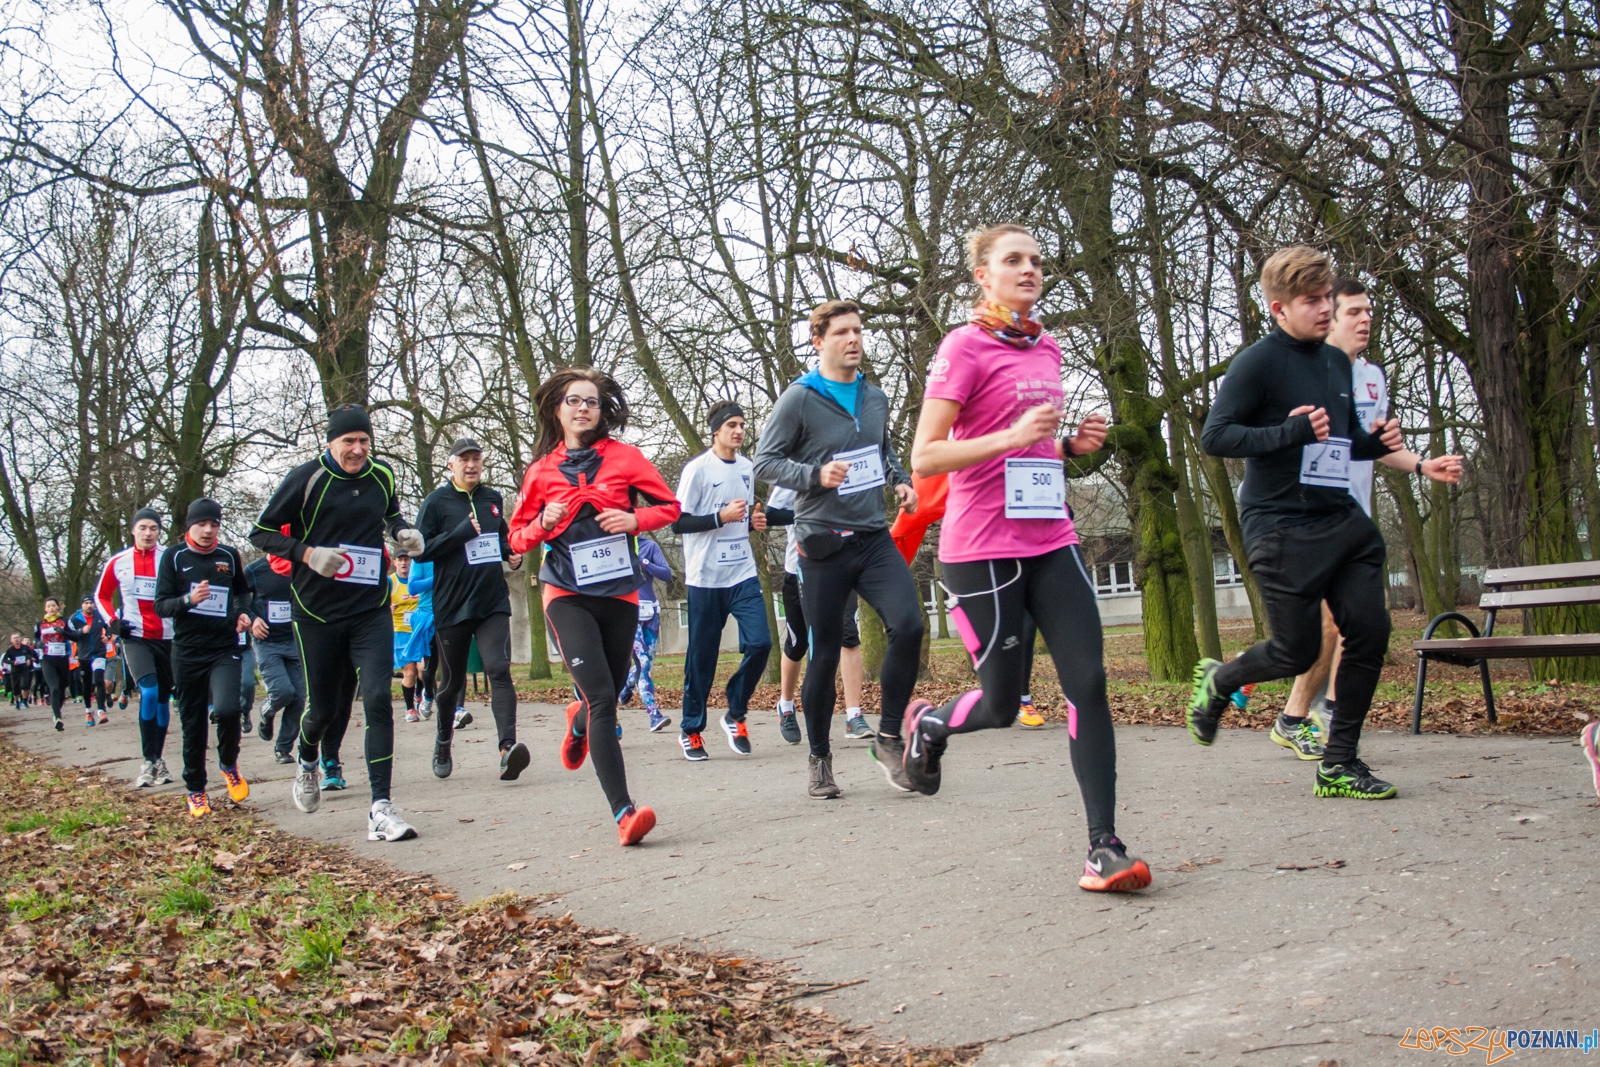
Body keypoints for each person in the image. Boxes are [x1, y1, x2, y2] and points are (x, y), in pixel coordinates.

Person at [904, 224, 1149, 891]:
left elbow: (1031, 450)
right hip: (981, 549)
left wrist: (1068, 447)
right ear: (982, 274)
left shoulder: (1048, 347)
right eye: (1013, 260)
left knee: (1089, 684)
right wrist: (1009, 435)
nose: (1029, 269)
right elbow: (924, 455)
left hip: (1051, 538)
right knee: (1004, 703)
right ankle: (928, 724)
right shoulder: (963, 346)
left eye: (1037, 260)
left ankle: (1104, 846)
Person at [1194, 245, 1404, 800]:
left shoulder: (1337, 362)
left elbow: (1341, 441)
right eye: (1312, 301)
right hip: (1279, 523)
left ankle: (1339, 763)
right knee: (1296, 650)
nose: (1325, 310)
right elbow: (1214, 437)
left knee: (1370, 629)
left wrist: (1373, 442)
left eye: (1328, 299)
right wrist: (1285, 433)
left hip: (1339, 518)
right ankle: (1221, 678)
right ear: (1278, 307)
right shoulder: (1259, 362)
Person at [1272, 278, 1464, 759]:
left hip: (1352, 517)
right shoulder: (1302, 370)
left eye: (1369, 312)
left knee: (1355, 622)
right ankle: (1290, 712)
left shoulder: (1372, 377)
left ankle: (1320, 714)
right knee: (1330, 626)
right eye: (1353, 311)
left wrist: (1423, 465)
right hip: (1302, 517)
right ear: (1327, 318)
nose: (1365, 320)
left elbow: (1376, 448)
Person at [752, 299, 923, 800]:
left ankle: (889, 737)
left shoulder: (875, 396)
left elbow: (882, 448)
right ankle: (820, 759)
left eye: (858, 331)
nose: (854, 339)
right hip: (822, 542)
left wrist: (900, 480)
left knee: (909, 625)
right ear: (818, 341)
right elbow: (764, 461)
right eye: (843, 332)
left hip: (872, 538)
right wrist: (813, 476)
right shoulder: (799, 398)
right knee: (824, 652)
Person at [507, 366, 680, 846]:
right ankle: (624, 812)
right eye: (574, 401)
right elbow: (516, 537)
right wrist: (543, 521)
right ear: (557, 410)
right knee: (606, 699)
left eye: (592, 402)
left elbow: (670, 507)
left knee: (606, 692)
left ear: (602, 411)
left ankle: (577, 718)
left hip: (620, 593)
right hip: (566, 593)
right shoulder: (540, 471)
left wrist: (633, 518)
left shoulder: (625, 458)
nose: (584, 408)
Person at [251, 404, 423, 842]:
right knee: (323, 710)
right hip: (316, 613)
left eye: (364, 441)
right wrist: (308, 554)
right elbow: (262, 531)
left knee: (377, 701)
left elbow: (391, 513)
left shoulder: (381, 475)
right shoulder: (307, 479)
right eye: (349, 441)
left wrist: (401, 532)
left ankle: (381, 807)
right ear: (331, 442)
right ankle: (307, 761)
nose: (358, 449)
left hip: (369, 607)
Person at [888, 471, 1048, 728]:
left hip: (1019, 543)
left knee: (1026, 625)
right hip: (973, 555)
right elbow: (922, 499)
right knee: (991, 644)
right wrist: (891, 560)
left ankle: (1023, 698)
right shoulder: (953, 445)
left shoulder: (1017, 442)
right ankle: (930, 726)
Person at [414, 437, 529, 782]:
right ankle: (443, 741)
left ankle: (507, 748)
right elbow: (420, 551)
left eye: (476, 458)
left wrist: (511, 551)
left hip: (492, 599)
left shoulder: (492, 499)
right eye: (464, 459)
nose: (471, 464)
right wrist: (460, 533)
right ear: (450, 464)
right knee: (451, 682)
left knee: (499, 668)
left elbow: (502, 537)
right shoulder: (436, 503)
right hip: (452, 604)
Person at [670, 403, 774, 760]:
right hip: (705, 578)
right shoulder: (697, 470)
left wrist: (751, 523)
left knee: (760, 643)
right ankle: (691, 730)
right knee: (702, 659)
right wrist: (720, 515)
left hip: (742, 573)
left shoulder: (747, 468)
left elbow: (740, 518)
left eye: (742, 425)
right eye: (731, 425)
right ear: (715, 430)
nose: (739, 431)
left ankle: (735, 711)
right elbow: (678, 522)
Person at [153, 498, 254, 819]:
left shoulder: (228, 555)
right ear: (189, 527)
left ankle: (228, 764)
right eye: (202, 525)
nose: (209, 530)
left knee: (228, 708)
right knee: (193, 723)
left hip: (223, 647)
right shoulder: (173, 557)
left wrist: (242, 614)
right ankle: (196, 790)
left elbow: (242, 592)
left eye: (214, 524)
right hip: (187, 652)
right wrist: (187, 599)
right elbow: (161, 605)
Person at [767, 484, 870, 744]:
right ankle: (786, 706)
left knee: (847, 634)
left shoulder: (847, 466)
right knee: (798, 643)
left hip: (842, 564)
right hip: (799, 568)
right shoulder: (792, 472)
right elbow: (772, 514)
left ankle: (853, 715)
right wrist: (812, 512)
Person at [96, 508, 177, 786]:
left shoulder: (171, 558)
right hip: (136, 636)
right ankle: (148, 761)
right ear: (133, 530)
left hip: (168, 638)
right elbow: (101, 595)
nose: (148, 533)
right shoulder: (119, 561)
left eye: (153, 528)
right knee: (150, 692)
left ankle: (159, 760)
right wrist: (113, 621)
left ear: (159, 532)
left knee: (164, 699)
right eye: (142, 527)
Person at [246, 549, 306, 764]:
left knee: (299, 698)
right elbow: (238, 599)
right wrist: (252, 619)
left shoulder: (301, 567)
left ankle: (283, 748)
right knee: (282, 692)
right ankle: (267, 710)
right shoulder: (254, 570)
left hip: (294, 640)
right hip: (267, 643)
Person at [620, 535, 673, 732]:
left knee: (646, 664)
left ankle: (626, 687)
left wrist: (645, 563)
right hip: (627, 612)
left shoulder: (649, 546)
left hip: (650, 612)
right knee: (641, 662)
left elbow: (667, 574)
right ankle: (653, 714)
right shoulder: (615, 545)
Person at [33, 598, 85, 732]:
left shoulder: (65, 621)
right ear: (45, 609)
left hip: (62, 659)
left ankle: (57, 710)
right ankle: (57, 718)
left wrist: (64, 632)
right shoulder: (40, 624)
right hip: (47, 660)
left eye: (53, 606)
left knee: (62, 687)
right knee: (54, 688)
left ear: (58, 608)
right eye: (48, 606)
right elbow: (36, 639)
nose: (51, 608)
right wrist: (38, 645)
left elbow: (76, 637)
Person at [390, 553, 424, 723]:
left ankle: (419, 694)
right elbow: (378, 603)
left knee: (423, 671)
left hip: (419, 631)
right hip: (400, 633)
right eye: (400, 560)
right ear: (395, 562)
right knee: (409, 672)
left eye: (407, 559)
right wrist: (388, 607)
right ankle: (410, 708)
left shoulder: (418, 581)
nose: (404, 563)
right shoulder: (391, 582)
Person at [403, 558, 439, 720]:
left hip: (450, 614)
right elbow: (413, 587)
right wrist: (439, 576)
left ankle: (458, 708)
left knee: (454, 665)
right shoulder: (422, 558)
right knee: (427, 669)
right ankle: (429, 695)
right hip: (427, 617)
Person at [70, 597, 110, 725]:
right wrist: (81, 631)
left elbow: (110, 626)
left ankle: (101, 711)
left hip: (99, 652)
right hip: (84, 655)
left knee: (99, 680)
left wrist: (107, 636)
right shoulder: (75, 619)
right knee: (87, 684)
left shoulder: (100, 615)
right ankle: (88, 711)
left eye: (91, 603)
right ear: (82, 605)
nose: (89, 605)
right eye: (86, 603)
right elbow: (70, 635)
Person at [6, 634, 34, 710]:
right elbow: (5, 660)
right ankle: (17, 702)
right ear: (11, 640)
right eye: (14, 638)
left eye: (17, 637)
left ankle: (24, 701)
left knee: (24, 685)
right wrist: (13, 662)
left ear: (20, 639)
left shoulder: (25, 647)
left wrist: (28, 659)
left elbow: (30, 653)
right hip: (15, 671)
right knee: (15, 689)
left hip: (24, 670)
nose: (16, 639)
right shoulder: (10, 650)